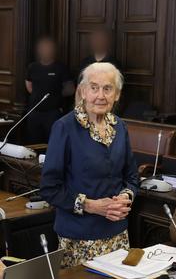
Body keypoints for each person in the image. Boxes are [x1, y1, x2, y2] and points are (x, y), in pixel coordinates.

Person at [40, 62, 139, 267]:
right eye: (94, 88)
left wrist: (125, 197)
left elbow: (132, 177)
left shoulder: (120, 127)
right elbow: (49, 189)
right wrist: (91, 206)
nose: (100, 95)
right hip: (78, 238)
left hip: (118, 234)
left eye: (108, 88)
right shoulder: (64, 128)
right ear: (83, 91)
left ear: (117, 94)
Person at [25, 36, 75, 144]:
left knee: (53, 143)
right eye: (43, 48)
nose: (45, 51)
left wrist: (54, 95)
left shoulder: (60, 68)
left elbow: (70, 89)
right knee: (33, 144)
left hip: (53, 113)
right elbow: (29, 85)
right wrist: (38, 94)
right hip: (34, 112)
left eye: (48, 48)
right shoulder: (32, 67)